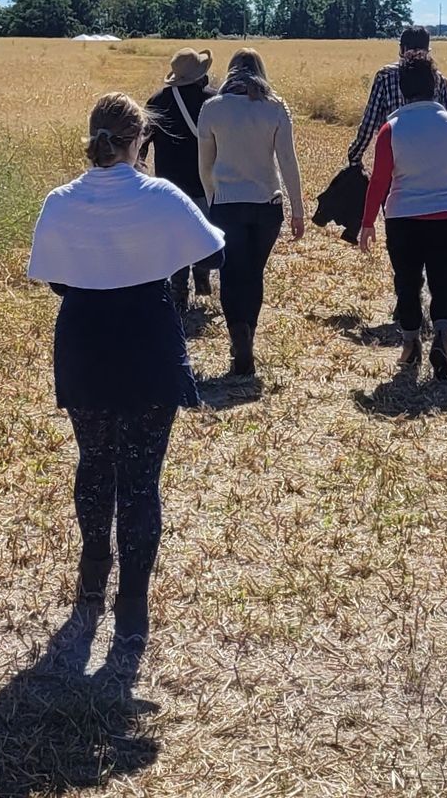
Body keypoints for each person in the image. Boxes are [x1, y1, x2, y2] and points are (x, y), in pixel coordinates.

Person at [27, 92, 225, 677]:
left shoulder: (60, 201)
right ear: (140, 142)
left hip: (84, 342)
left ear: (91, 137)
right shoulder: (160, 196)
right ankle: (132, 606)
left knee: (94, 464)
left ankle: (91, 579)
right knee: (141, 480)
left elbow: (51, 276)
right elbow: (211, 248)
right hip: (147, 343)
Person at [359, 51, 447, 380]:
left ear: (402, 88)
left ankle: (411, 344)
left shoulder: (391, 129)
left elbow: (379, 182)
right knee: (444, 285)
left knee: (408, 284)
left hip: (404, 219)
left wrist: (368, 222)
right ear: (435, 86)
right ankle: (442, 337)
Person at [198, 48, 305, 376]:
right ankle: (251, 333)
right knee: (253, 274)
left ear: (230, 72)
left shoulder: (212, 108)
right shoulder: (276, 107)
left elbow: (205, 164)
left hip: (227, 203)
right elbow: (288, 161)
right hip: (266, 205)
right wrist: (297, 209)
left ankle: (238, 335)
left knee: (231, 273)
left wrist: (211, 198)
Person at [140, 48, 218, 312]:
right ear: (200, 75)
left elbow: (142, 142)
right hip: (204, 180)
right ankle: (203, 270)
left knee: (175, 237)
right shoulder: (212, 100)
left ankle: (178, 290)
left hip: (169, 183)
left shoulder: (157, 101)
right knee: (205, 229)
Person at [346, 25, 447, 167]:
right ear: (428, 50)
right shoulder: (440, 79)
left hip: (393, 158)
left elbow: (369, 124)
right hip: (431, 161)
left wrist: (354, 156)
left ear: (402, 49)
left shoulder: (385, 76)